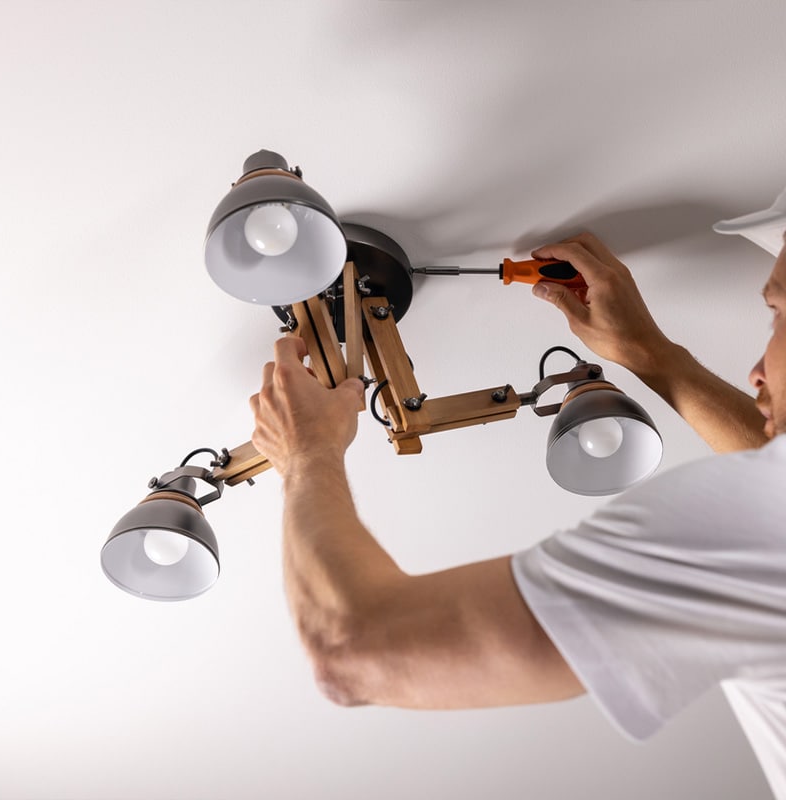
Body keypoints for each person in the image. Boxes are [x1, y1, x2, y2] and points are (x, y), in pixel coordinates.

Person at [249, 231, 786, 796]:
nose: (756, 370)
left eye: (775, 313)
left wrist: (306, 451)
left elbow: (349, 647)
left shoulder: (756, 516)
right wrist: (648, 353)